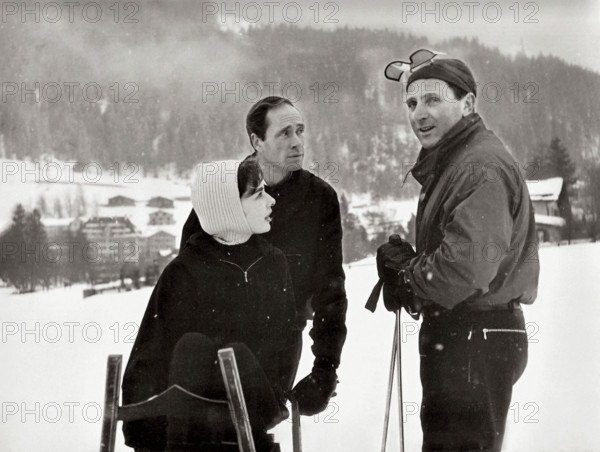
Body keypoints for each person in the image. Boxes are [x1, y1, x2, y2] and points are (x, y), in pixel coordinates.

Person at [373, 53, 540, 451]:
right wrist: (412, 267)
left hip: (474, 336)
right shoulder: (457, 161)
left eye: (433, 100)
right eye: (411, 103)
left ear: (467, 104)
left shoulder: (478, 165)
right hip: (467, 335)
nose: (419, 114)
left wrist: (408, 277)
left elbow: (467, 268)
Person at [180, 96, 347, 416]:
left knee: (256, 428)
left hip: (280, 339)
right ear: (257, 141)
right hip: (213, 342)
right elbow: (187, 275)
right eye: (285, 133)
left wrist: (325, 368)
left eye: (300, 131)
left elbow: (331, 288)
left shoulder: (320, 199)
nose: (298, 142)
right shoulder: (228, 191)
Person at [122, 159, 296, 452]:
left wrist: (276, 391)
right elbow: (151, 352)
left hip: (256, 404)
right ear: (226, 206)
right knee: (192, 346)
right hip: (193, 420)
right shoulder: (184, 272)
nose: (270, 200)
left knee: (236, 355)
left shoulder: (272, 264)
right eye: (257, 194)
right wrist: (141, 427)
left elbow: (286, 343)